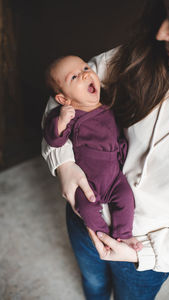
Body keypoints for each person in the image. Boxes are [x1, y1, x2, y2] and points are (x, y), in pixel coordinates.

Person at [41, 0, 169, 299]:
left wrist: (147, 254)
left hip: (141, 252)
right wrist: (63, 164)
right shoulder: (145, 56)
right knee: (93, 284)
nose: (161, 32)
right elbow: (63, 95)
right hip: (83, 217)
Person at [43, 55, 142, 249]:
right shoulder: (68, 114)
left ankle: (123, 235)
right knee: (85, 208)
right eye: (74, 77)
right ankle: (102, 236)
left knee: (125, 198)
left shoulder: (107, 105)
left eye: (86, 68)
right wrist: (61, 121)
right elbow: (54, 140)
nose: (84, 75)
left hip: (114, 176)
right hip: (86, 181)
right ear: (63, 99)